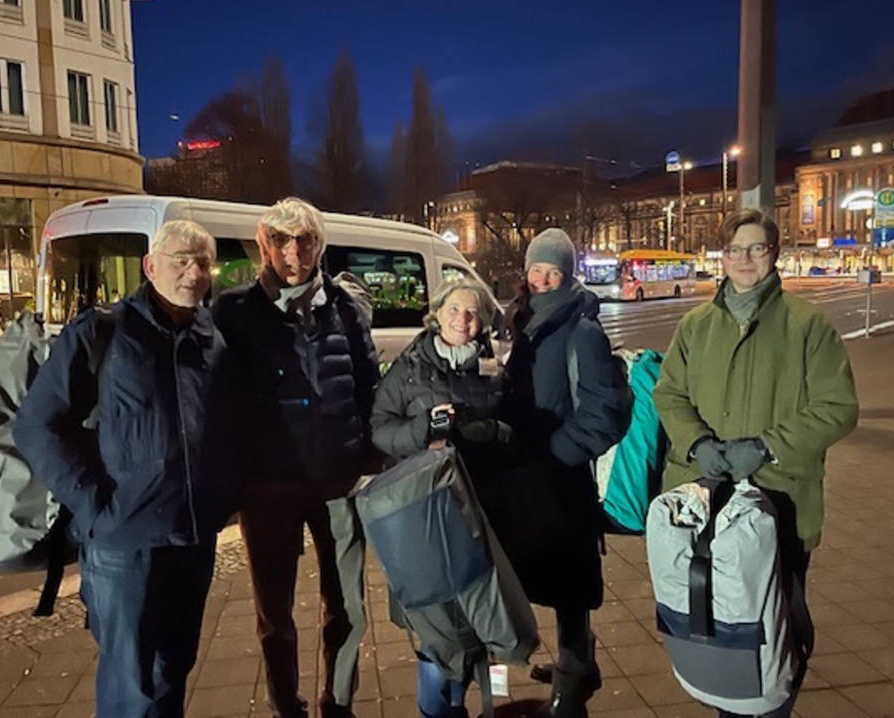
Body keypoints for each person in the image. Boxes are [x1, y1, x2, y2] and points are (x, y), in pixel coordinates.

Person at [14, 220, 239, 717]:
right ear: (150, 266)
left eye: (203, 262)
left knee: (173, 671)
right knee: (128, 688)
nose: (194, 273)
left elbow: (223, 429)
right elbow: (37, 426)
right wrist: (95, 509)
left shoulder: (210, 338)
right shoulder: (103, 331)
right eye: (181, 259)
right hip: (123, 544)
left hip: (191, 540)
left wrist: (223, 497)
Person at [652, 208, 859, 718]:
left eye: (757, 248)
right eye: (735, 249)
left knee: (777, 643)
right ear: (722, 257)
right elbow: (669, 393)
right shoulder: (695, 324)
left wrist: (767, 446)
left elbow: (838, 408)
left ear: (775, 253)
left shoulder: (807, 325)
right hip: (708, 504)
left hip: (777, 506)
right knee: (717, 636)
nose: (745, 259)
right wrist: (698, 444)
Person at [211, 197, 379, 718]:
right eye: (281, 240)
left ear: (318, 245)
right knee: (274, 616)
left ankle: (338, 700)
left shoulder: (346, 310)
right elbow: (216, 401)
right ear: (264, 245)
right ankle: (288, 705)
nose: (294, 252)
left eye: (304, 240)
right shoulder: (233, 311)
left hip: (337, 481)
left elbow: (370, 390)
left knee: (345, 606)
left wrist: (374, 459)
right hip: (268, 490)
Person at [503, 228, 631, 718]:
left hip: (564, 478)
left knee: (571, 582)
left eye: (552, 271)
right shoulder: (528, 321)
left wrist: (556, 452)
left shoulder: (581, 329)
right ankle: (575, 662)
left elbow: (606, 414)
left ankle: (575, 675)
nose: (541, 278)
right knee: (552, 576)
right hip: (535, 476)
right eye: (536, 269)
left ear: (567, 275)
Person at [370, 278, 510, 718]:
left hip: (481, 508)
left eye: (471, 313)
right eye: (453, 310)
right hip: (425, 514)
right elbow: (380, 429)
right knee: (435, 624)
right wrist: (422, 432)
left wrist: (478, 431)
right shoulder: (409, 365)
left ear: (483, 320)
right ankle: (437, 710)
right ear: (437, 313)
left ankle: (472, 699)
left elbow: (512, 430)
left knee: (477, 617)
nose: (461, 320)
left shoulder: (493, 368)